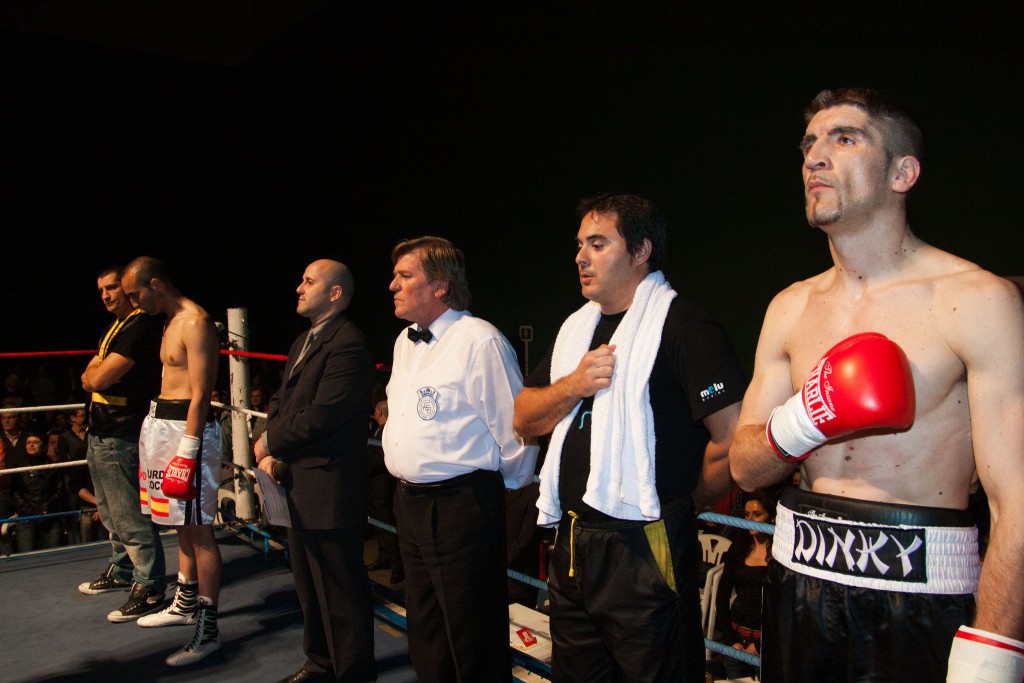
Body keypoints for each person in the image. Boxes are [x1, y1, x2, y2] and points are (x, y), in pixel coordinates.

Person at [729, 87, 1024, 683]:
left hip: (920, 602)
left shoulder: (977, 300)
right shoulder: (788, 308)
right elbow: (743, 467)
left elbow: (1017, 498)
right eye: (809, 144)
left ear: (902, 172)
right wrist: (808, 416)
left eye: (845, 138)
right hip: (797, 588)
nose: (814, 156)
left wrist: (991, 654)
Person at [513, 193, 747, 682]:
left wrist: (682, 502)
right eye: (580, 244)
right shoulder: (574, 331)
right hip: (572, 541)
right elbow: (523, 418)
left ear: (641, 250)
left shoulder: (686, 326)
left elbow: (731, 440)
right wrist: (573, 385)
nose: (581, 256)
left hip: (644, 544)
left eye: (598, 244)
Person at [383, 235, 539, 683]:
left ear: (441, 287)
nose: (393, 285)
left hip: (461, 506)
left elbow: (517, 432)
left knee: (473, 636)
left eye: (405, 275)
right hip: (409, 503)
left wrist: (494, 495)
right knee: (426, 629)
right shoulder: (403, 342)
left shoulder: (481, 341)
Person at [254, 258, 378, 683]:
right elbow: (281, 402)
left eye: (309, 281)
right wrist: (271, 445)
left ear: (335, 293)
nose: (298, 288)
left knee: (340, 589)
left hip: (329, 485)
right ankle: (321, 663)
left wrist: (271, 441)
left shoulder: (349, 345)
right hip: (296, 482)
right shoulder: (303, 341)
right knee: (308, 584)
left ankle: (354, 673)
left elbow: (323, 414)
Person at [121, 256, 224, 667]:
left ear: (156, 284)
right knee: (178, 521)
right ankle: (183, 603)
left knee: (199, 529)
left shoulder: (196, 322)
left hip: (188, 431)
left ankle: (209, 628)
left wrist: (188, 449)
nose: (133, 302)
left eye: (135, 294)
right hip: (163, 424)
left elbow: (201, 393)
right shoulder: (169, 320)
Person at [78, 265, 167, 621]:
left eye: (113, 288)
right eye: (101, 290)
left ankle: (151, 585)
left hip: (122, 431)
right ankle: (122, 569)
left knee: (129, 513)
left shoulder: (140, 325)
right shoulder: (115, 327)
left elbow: (99, 376)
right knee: (110, 510)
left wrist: (93, 376)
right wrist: (93, 376)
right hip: (100, 429)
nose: (107, 295)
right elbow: (91, 374)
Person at [715, 489, 778, 681]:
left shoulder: (779, 554)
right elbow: (722, 597)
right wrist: (730, 641)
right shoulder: (739, 548)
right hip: (737, 637)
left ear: (772, 518)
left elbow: (782, 607)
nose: (750, 519)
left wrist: (759, 646)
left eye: (757, 514)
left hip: (767, 643)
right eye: (747, 514)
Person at [365, 398, 403, 585]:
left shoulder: (388, 431)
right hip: (374, 486)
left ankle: (397, 567)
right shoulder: (377, 430)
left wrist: (363, 469)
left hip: (383, 486)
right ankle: (384, 557)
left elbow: (379, 459)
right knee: (380, 526)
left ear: (380, 412)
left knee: (388, 527)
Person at [12, 432, 68, 551]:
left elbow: (59, 490)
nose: (31, 445)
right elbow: (16, 492)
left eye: (36, 442)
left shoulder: (53, 466)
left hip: (50, 515)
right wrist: (32, 511)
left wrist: (46, 508)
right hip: (26, 517)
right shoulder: (20, 467)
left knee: (54, 556)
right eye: (29, 442)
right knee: (26, 558)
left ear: (44, 446)